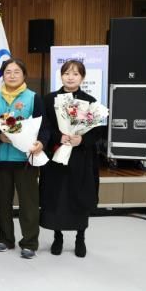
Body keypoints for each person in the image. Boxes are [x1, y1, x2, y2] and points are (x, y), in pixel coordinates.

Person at [0, 58, 48, 259]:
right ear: (2, 76)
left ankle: (29, 242)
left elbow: (44, 127)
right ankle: (5, 238)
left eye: (16, 72)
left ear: (24, 75)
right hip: (1, 159)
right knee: (3, 202)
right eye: (8, 72)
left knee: (28, 203)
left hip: (25, 159)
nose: (12, 75)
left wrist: (41, 143)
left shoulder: (33, 98)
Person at [40, 60, 100, 258]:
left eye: (75, 74)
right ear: (61, 76)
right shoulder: (49, 99)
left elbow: (98, 131)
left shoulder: (90, 101)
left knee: (78, 196)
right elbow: (44, 125)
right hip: (56, 154)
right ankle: (57, 237)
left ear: (82, 77)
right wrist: (59, 137)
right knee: (57, 196)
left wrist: (82, 139)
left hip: (80, 157)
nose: (70, 77)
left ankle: (80, 237)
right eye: (66, 73)